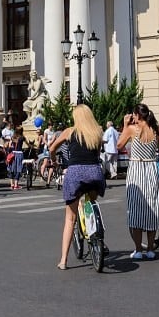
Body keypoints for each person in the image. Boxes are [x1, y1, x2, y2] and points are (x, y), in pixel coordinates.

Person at [49, 104, 106, 270]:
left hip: (75, 173)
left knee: (70, 219)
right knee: (90, 201)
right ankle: (96, 232)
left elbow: (52, 148)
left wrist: (53, 160)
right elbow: (96, 155)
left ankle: (63, 260)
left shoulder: (69, 132)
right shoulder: (96, 133)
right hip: (95, 173)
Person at [117, 104, 159, 260]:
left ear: (137, 115)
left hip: (136, 169)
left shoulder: (132, 129)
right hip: (151, 170)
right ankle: (150, 249)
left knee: (136, 210)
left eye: (133, 114)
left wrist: (125, 125)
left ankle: (138, 249)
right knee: (152, 208)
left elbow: (119, 145)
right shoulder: (155, 130)